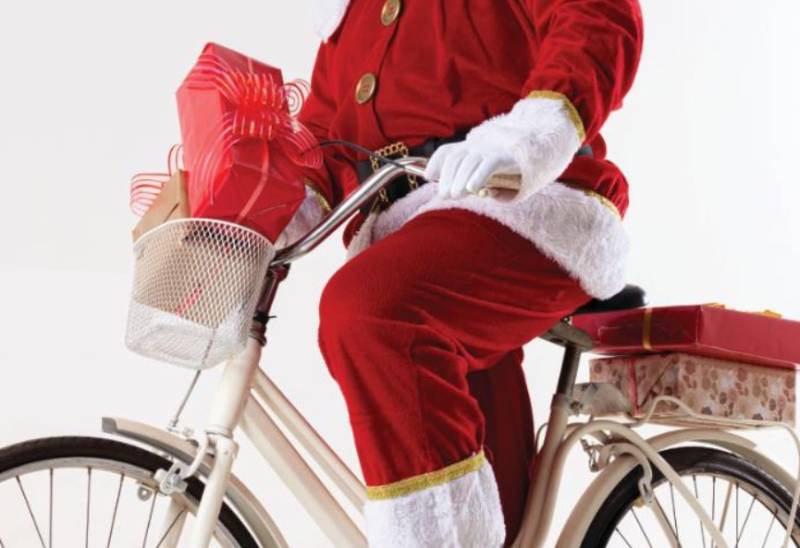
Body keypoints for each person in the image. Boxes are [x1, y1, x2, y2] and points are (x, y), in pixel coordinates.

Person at [290, 1, 644, 545]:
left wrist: (525, 137)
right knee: (456, 430)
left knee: (371, 310)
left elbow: (594, 17)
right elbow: (325, 137)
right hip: (414, 233)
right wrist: (267, 207)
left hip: (526, 207)